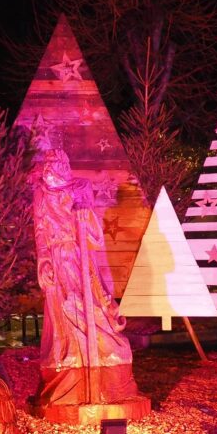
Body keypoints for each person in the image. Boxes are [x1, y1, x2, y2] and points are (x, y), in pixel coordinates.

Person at [32, 148, 139, 407]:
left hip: (79, 259)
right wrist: (44, 260)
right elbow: (40, 232)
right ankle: (68, 364)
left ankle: (106, 363)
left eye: (54, 164)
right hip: (57, 263)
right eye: (46, 165)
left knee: (93, 309)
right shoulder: (40, 194)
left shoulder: (80, 187)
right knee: (63, 315)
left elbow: (93, 235)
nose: (49, 169)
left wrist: (83, 213)